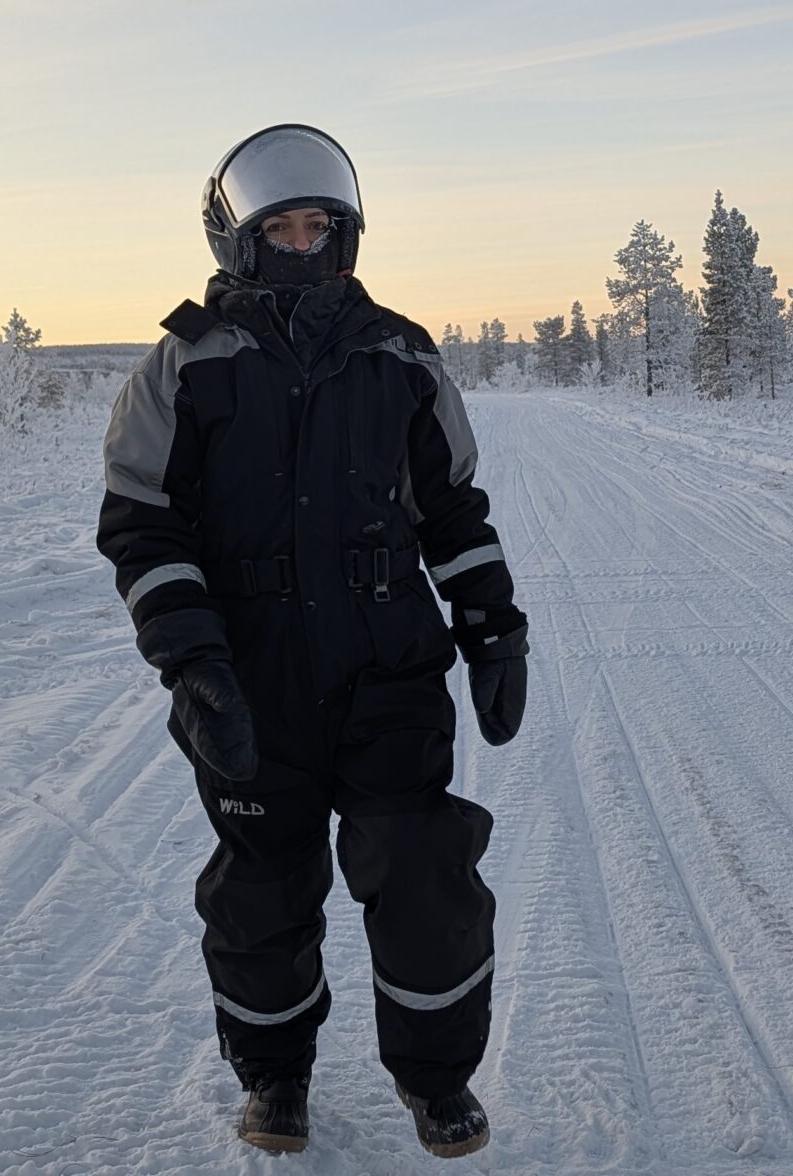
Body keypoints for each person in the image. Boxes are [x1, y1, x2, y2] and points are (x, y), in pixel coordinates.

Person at [96, 124, 528, 1157]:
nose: (299, 243)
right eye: (279, 227)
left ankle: (435, 1082)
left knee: (424, 869)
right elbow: (141, 523)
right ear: (238, 238)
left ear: (345, 234)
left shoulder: (401, 354)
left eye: (316, 224)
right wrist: (192, 661)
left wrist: (492, 623)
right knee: (263, 887)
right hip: (250, 679)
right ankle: (275, 1077)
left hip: (387, 667)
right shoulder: (183, 361)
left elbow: (452, 512)